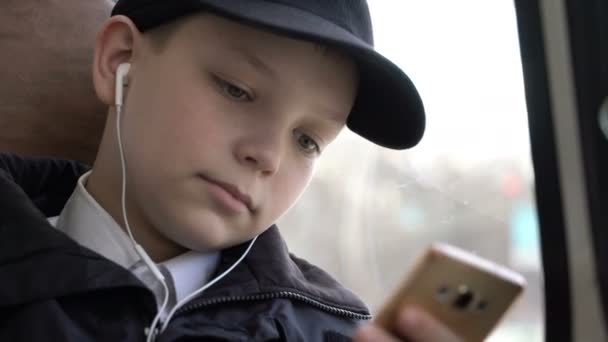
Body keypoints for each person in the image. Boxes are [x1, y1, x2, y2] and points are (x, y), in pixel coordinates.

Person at [0, 1, 462, 341]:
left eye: (307, 140)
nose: (268, 155)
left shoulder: (332, 332)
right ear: (121, 61)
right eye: (237, 90)